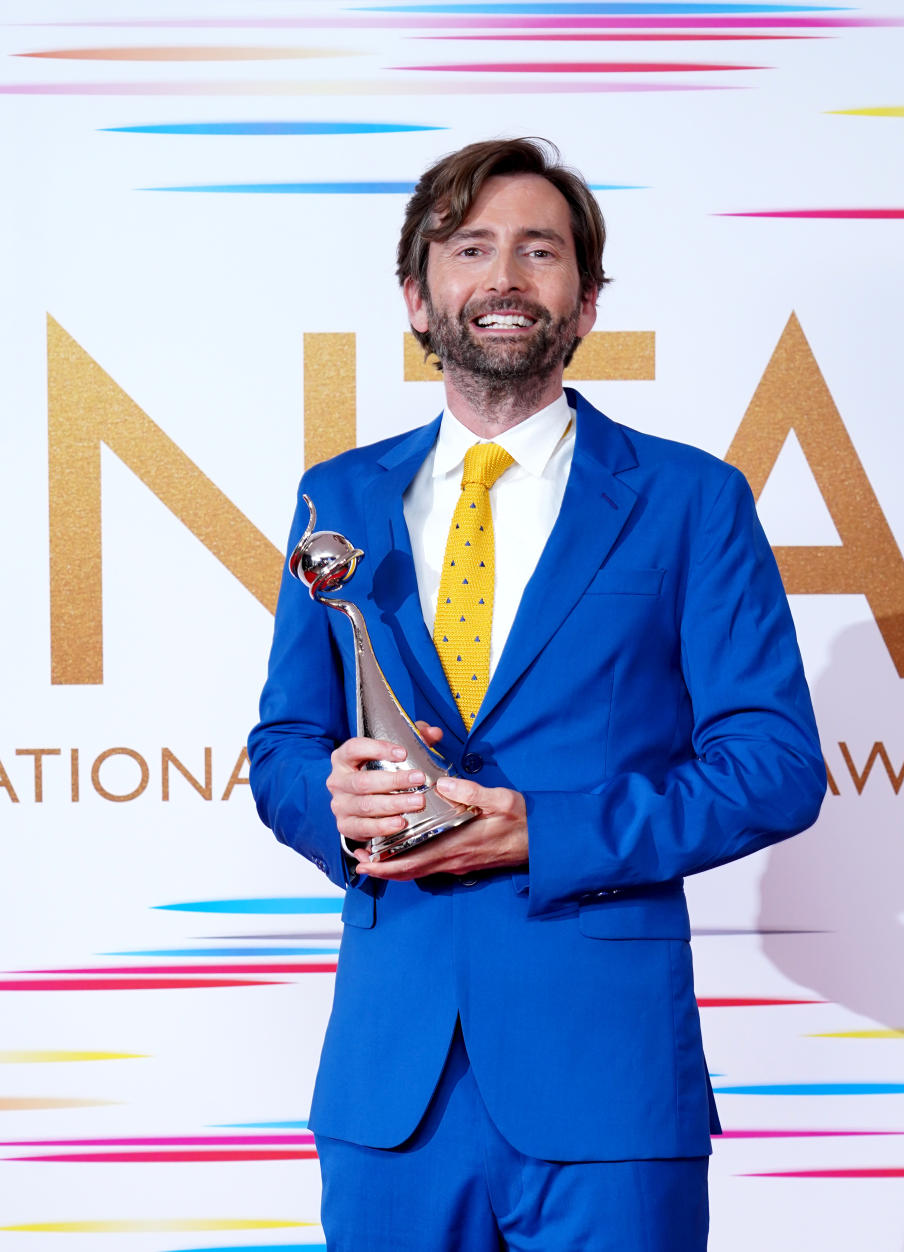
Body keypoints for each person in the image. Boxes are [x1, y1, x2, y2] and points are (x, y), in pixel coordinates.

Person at [248, 137, 826, 1252]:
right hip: (391, 1088)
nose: (505, 276)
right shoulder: (338, 498)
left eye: (540, 250)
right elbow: (284, 739)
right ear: (419, 297)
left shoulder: (690, 499)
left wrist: (544, 832)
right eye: (471, 248)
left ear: (586, 299)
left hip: (606, 1081)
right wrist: (338, 807)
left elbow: (774, 763)